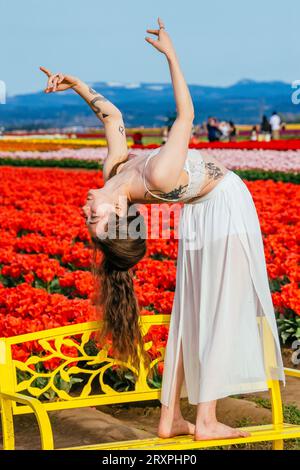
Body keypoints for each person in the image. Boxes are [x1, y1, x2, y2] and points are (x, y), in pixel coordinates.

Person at [40, 17, 285, 442]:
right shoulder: (157, 173)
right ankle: (204, 421)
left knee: (194, 308)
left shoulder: (114, 170)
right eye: (94, 220)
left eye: (87, 219)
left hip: (203, 210)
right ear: (118, 212)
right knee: (216, 308)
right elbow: (187, 114)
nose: (85, 210)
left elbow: (112, 116)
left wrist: (77, 84)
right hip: (225, 205)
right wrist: (172, 55)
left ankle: (171, 418)